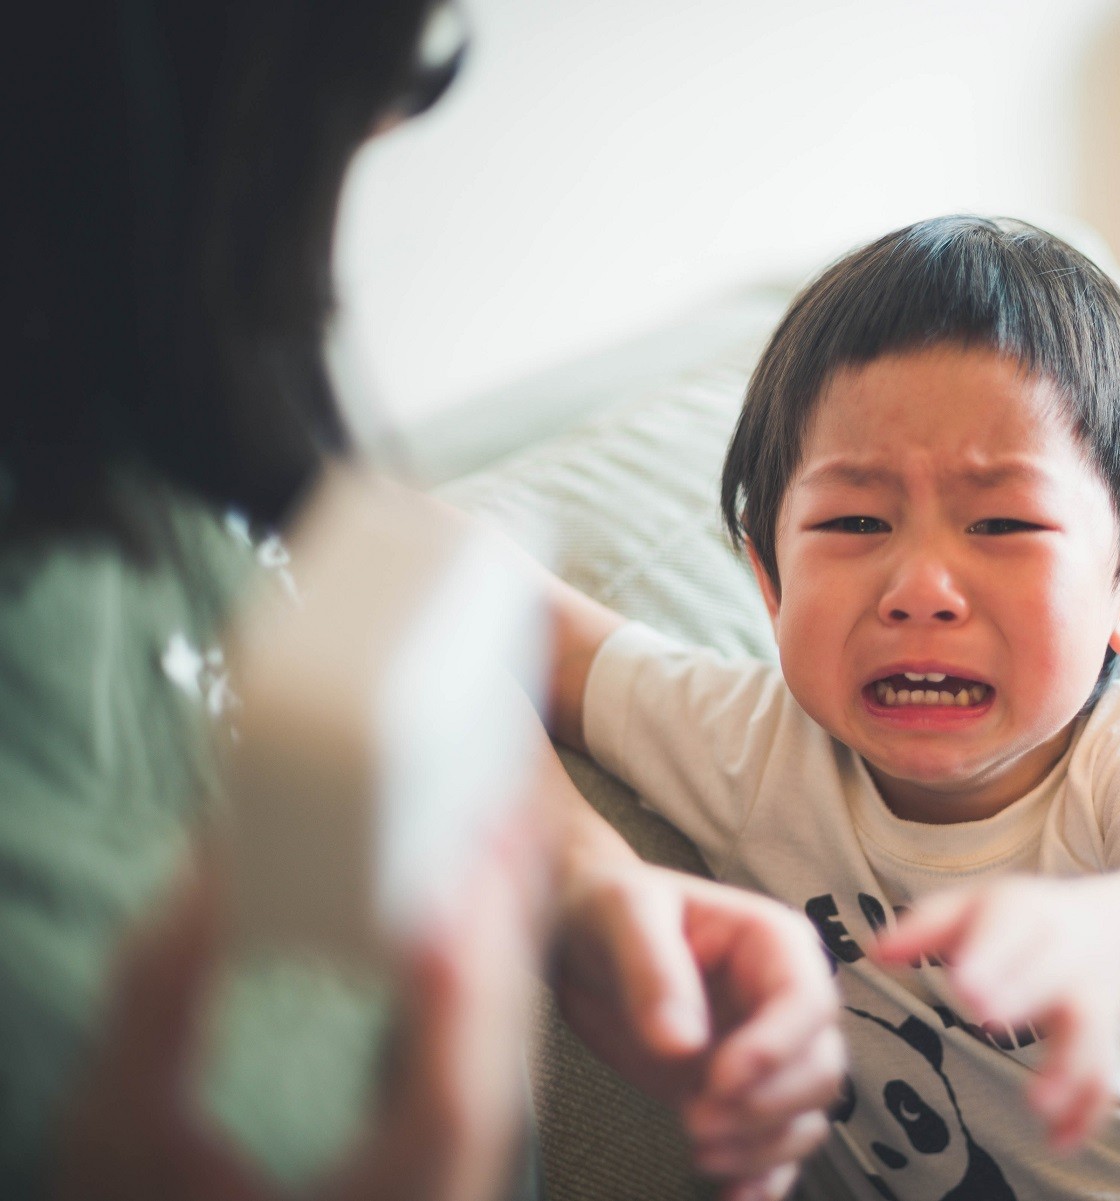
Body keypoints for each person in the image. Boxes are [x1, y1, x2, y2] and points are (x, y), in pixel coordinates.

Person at [2, 4, 841, 1200]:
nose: (391, 123)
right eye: (370, 75)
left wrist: (591, 885)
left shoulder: (176, 415)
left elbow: (380, 629)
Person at [553, 215, 1120, 1200]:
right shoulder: (748, 745)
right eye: (854, 520)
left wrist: (1108, 939)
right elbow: (475, 603)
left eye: (1002, 522)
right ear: (771, 578)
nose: (920, 586)